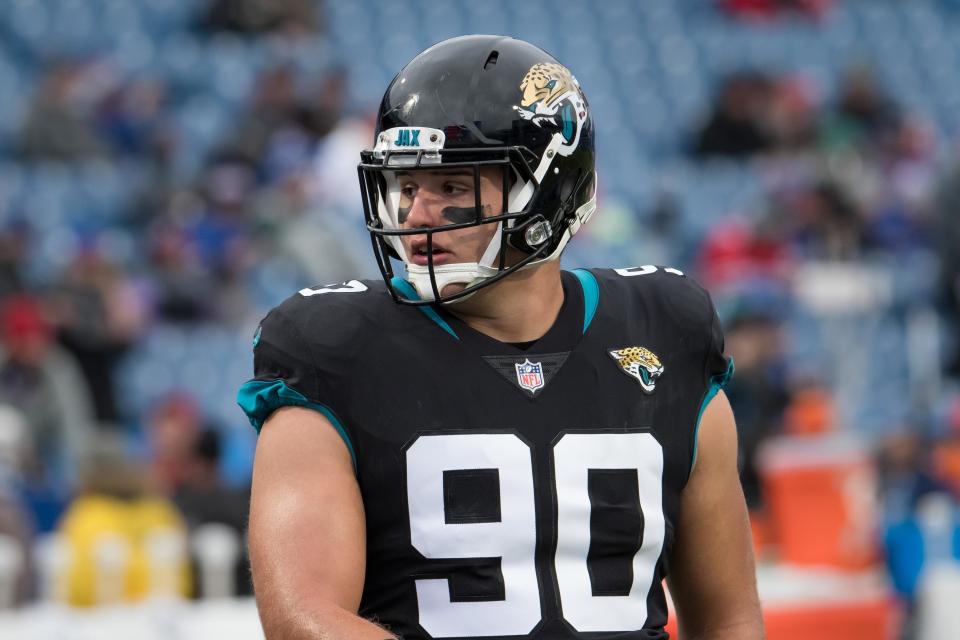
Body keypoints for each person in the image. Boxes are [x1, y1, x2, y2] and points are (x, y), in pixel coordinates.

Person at [240, 35, 763, 640]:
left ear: (549, 191)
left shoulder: (665, 331)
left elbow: (729, 617)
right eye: (406, 187)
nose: (415, 215)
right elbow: (302, 620)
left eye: (452, 188)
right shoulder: (333, 346)